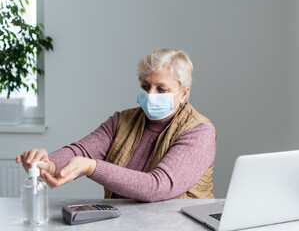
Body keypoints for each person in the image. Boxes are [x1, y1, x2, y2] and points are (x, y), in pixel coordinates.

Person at [16, 49, 217, 202]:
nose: (151, 95)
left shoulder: (199, 131)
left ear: (183, 93)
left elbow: (158, 186)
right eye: (146, 86)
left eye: (162, 89)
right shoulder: (122, 120)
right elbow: (83, 150)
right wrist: (48, 164)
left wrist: (91, 167)